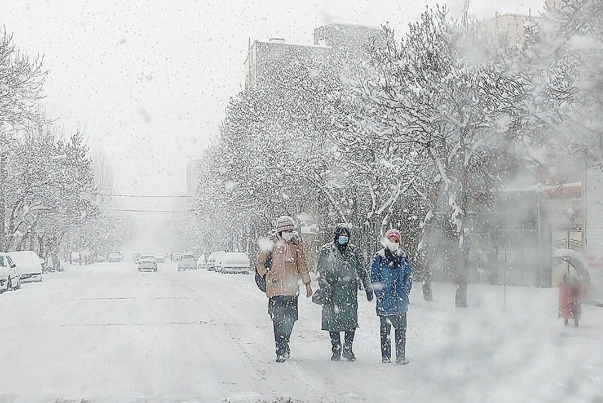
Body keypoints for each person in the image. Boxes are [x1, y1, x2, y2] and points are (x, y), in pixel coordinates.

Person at [256, 216, 313, 363]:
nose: (289, 233)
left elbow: (302, 265)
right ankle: (280, 349)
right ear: (280, 231)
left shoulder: (296, 245)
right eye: (286, 230)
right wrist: (267, 276)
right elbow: (259, 263)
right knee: (278, 320)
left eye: (291, 230)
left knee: (291, 319)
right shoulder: (271, 245)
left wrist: (307, 283)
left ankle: (285, 342)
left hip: (291, 289)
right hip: (275, 290)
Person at [316, 223, 373, 362]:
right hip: (332, 292)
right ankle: (336, 349)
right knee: (332, 321)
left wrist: (368, 287)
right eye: (341, 235)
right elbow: (320, 271)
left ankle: (348, 349)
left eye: (346, 236)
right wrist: (325, 285)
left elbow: (362, 270)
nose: (344, 238)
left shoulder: (354, 251)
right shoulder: (326, 250)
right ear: (336, 236)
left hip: (349, 292)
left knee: (350, 321)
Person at [370, 229, 412, 365]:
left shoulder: (403, 257)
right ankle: (385, 356)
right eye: (391, 240)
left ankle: (401, 356)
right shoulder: (379, 257)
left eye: (396, 241)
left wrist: (405, 291)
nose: (393, 243)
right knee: (385, 330)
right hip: (385, 301)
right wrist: (380, 294)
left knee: (401, 330)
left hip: (400, 301)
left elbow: (408, 276)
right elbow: (374, 277)